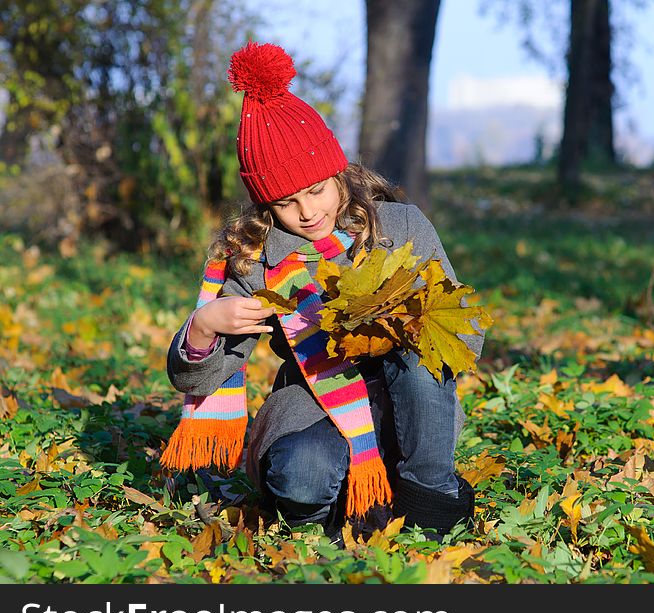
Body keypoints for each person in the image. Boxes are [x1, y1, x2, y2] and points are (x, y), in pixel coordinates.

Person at [164, 42, 484, 545]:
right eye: (286, 203)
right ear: (266, 205)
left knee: (420, 372)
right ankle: (317, 523)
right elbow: (197, 373)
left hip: (414, 406)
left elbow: (464, 333)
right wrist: (204, 325)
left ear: (339, 175)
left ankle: (430, 502)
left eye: (317, 191)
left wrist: (402, 325)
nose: (308, 213)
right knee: (303, 474)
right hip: (317, 396)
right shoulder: (259, 261)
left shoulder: (401, 227)